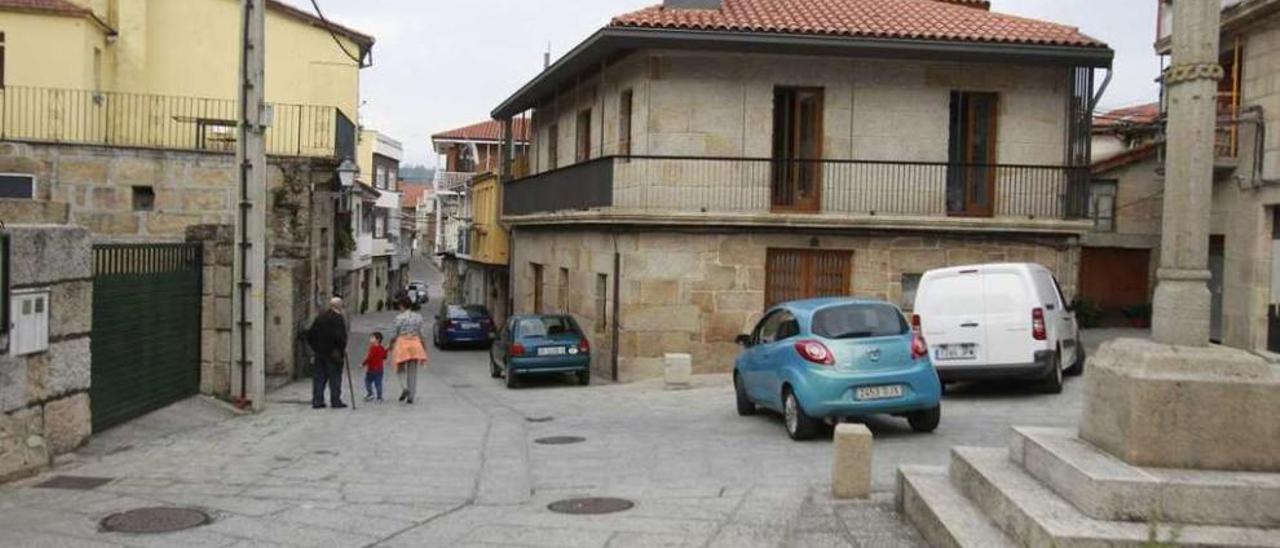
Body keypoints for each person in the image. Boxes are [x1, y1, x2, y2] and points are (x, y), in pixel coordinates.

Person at [306, 297, 348, 409]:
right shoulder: (338, 319)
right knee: (335, 378)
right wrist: (342, 349)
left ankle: (317, 401)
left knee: (319, 377)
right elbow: (340, 337)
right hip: (334, 353)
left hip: (320, 353)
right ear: (339, 306)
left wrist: (315, 348)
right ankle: (335, 400)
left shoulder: (320, 317)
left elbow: (310, 334)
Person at [388, 291, 429, 404]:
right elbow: (422, 333)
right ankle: (411, 395)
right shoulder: (418, 317)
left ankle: (404, 387)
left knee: (400, 368)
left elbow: (394, 334)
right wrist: (424, 346)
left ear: (401, 306)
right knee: (413, 371)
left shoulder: (399, 318)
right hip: (415, 344)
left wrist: (390, 345)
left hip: (402, 344)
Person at [362, 332, 387, 402]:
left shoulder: (372, 348)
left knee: (368, 381)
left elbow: (369, 358)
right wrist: (386, 350)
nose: (370, 339)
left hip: (371, 369)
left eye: (372, 338)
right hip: (380, 369)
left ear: (377, 339)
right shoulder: (381, 348)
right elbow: (384, 357)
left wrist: (363, 364)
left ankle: (370, 393)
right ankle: (379, 396)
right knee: (378, 383)